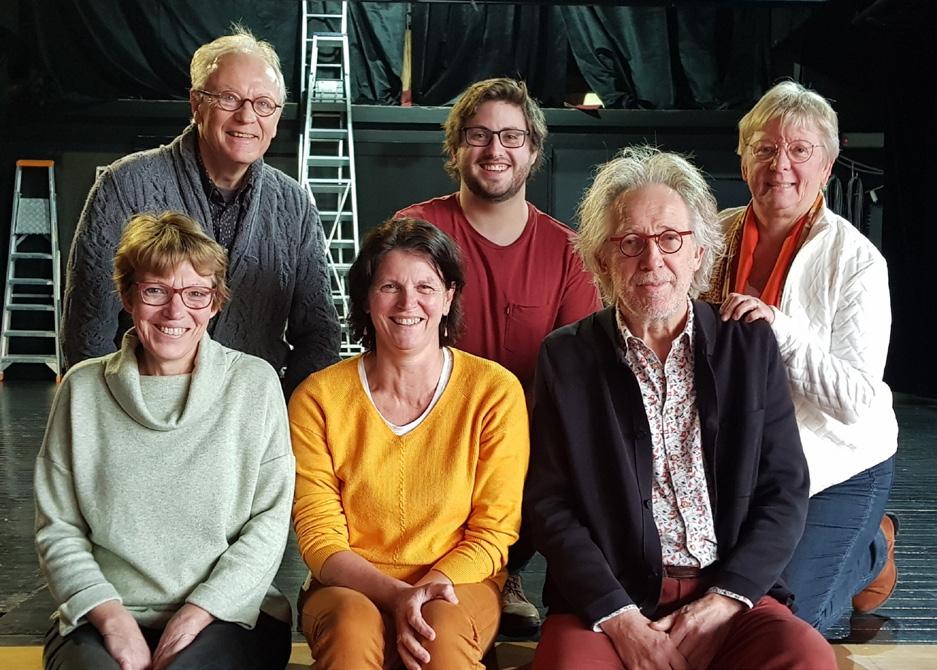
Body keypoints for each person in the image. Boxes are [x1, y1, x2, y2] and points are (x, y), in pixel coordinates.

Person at [523, 146, 836, 670]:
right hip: (611, 598)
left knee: (805, 657)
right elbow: (548, 504)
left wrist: (723, 602)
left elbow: (783, 491)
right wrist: (620, 618)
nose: (652, 261)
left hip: (728, 592)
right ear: (602, 259)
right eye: (630, 242)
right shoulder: (566, 356)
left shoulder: (748, 345)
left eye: (670, 239)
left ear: (698, 252)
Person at [35, 212, 295, 670]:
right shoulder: (82, 389)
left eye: (195, 294)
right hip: (102, 613)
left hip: (228, 614)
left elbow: (269, 524)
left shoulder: (254, 384)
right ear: (128, 296)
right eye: (156, 291)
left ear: (214, 303)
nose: (176, 312)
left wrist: (199, 613)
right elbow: (58, 527)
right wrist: (112, 621)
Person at [396, 77, 602, 635]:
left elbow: (575, 377)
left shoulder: (568, 252)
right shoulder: (416, 231)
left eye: (512, 137)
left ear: (533, 151)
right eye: (479, 135)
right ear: (456, 147)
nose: (495, 150)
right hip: (429, 435)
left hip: (522, 449)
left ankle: (504, 570)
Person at [703, 80, 899, 634]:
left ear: (828, 165)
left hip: (835, 466)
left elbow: (855, 402)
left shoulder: (858, 262)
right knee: (708, 597)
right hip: (736, 460)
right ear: (743, 158)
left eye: (800, 150)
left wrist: (778, 329)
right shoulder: (709, 236)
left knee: (790, 621)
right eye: (765, 148)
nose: (780, 165)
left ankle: (874, 550)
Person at [289, 218, 529, 670]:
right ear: (365, 299)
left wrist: (424, 592)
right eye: (389, 287)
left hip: (460, 582)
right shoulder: (318, 398)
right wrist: (397, 595)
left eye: (425, 287)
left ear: (449, 297)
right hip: (347, 586)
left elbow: (494, 532)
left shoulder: (494, 392)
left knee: (439, 633)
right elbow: (320, 536)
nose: (408, 303)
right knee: (351, 630)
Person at [62, 27, 340, 397]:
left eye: (263, 104)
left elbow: (319, 334)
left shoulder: (294, 205)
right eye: (229, 98)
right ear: (196, 104)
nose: (246, 116)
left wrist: (289, 413)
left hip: (248, 412)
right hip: (141, 405)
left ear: (276, 118)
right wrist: (105, 412)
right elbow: (87, 327)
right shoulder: (124, 186)